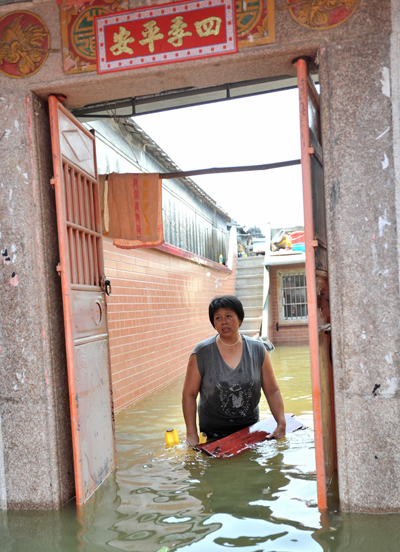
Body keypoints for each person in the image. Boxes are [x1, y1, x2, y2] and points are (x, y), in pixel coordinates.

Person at [182, 295, 286, 445]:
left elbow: (272, 391)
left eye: (229, 316)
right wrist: (191, 435)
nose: (224, 321)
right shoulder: (202, 353)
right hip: (212, 435)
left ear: (239, 318)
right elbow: (189, 395)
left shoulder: (257, 350)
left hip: (250, 431)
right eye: (218, 318)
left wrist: (281, 423)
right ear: (214, 323)